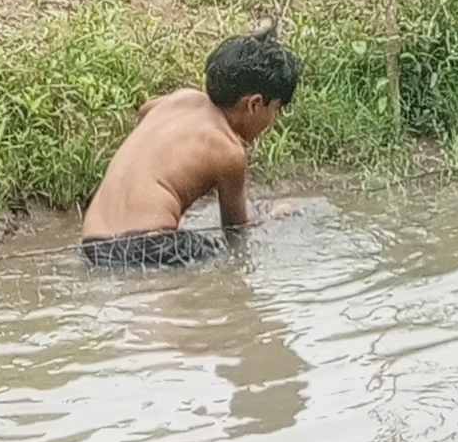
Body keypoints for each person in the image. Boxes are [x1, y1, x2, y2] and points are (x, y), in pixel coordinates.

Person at [81, 31, 299, 268]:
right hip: (149, 246)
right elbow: (236, 229)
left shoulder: (181, 98)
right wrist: (271, 218)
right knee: (225, 260)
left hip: (93, 245)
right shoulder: (229, 151)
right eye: (276, 110)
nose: (273, 119)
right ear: (255, 104)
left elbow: (144, 111)